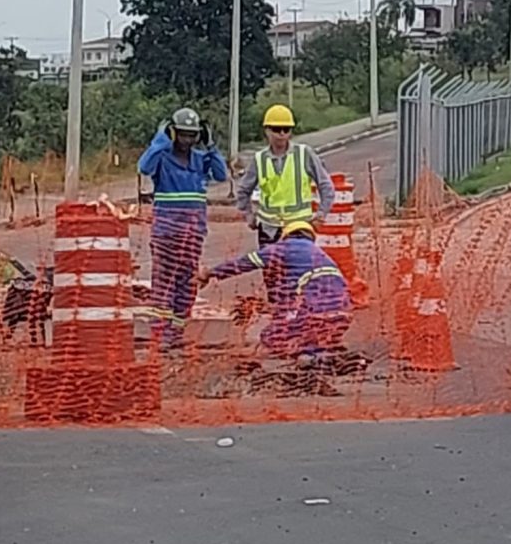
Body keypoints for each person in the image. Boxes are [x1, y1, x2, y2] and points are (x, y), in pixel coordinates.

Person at [198, 217, 353, 360]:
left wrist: (211, 273)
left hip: (315, 314)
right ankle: (324, 355)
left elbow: (245, 263)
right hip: (343, 316)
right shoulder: (321, 254)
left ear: (286, 236)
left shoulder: (282, 248)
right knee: (313, 338)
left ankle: (309, 360)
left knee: (271, 337)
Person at [138, 107, 228, 347]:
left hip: (192, 233)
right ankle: (162, 334)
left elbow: (221, 175)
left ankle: (177, 332)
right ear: (173, 132)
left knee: (186, 283)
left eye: (192, 135)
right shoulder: (163, 157)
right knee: (164, 282)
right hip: (166, 233)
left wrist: (211, 147)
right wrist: (160, 140)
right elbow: (144, 167)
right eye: (183, 134)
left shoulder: (200, 159)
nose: (187, 140)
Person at [232, 103, 335, 246]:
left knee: (298, 267)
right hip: (269, 229)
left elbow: (325, 185)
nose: (282, 133)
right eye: (276, 129)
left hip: (300, 228)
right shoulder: (259, 159)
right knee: (271, 268)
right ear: (267, 131)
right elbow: (243, 190)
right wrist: (249, 215)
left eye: (286, 129)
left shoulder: (304, 154)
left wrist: (322, 213)